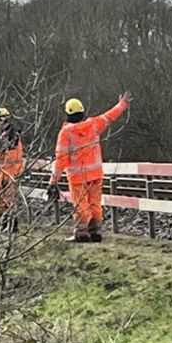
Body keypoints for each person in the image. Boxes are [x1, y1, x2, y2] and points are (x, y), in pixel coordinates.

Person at [49, 92, 132, 242]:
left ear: (67, 113)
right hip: (95, 174)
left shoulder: (65, 133)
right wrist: (122, 104)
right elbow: (109, 117)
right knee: (95, 203)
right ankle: (96, 232)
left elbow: (60, 158)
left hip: (77, 176)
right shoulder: (93, 125)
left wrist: (53, 181)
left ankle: (81, 233)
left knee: (81, 205)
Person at [0, 107, 24, 230]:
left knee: (9, 199)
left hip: (10, 171)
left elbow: (3, 148)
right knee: (0, 199)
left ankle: (12, 224)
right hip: (2, 170)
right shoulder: (1, 134)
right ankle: (4, 222)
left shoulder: (12, 133)